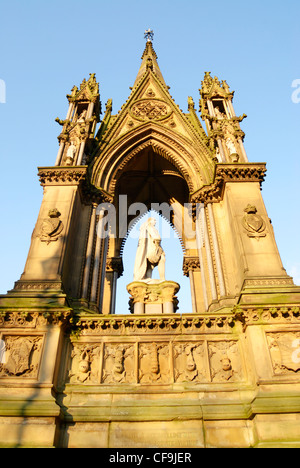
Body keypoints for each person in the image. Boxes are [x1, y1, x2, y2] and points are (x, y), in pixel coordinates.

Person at [133, 217, 166, 281]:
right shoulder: (150, 227)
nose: (155, 222)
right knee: (162, 258)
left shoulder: (146, 228)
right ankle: (162, 278)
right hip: (152, 250)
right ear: (150, 221)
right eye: (154, 220)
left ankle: (148, 278)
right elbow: (156, 237)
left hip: (148, 252)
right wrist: (158, 243)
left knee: (149, 266)